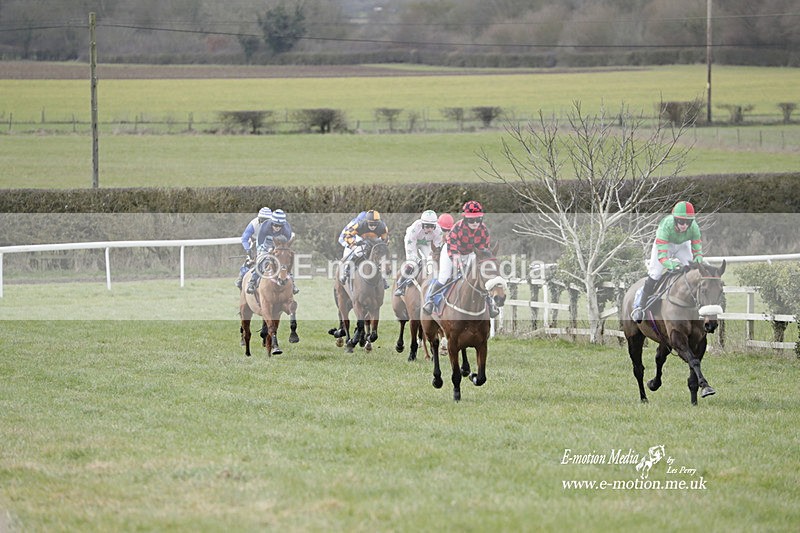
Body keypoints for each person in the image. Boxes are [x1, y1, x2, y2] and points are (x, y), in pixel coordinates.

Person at [631, 200, 704, 323]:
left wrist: (698, 258)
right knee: (655, 273)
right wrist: (671, 264)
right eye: (681, 221)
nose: (684, 225)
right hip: (665, 246)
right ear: (675, 219)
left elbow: (697, 246)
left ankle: (698, 304)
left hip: (682, 245)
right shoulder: (665, 225)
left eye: (688, 222)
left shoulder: (694, 227)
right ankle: (640, 306)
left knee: (694, 271)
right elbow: (662, 257)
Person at [422, 201, 497, 317]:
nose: (475, 223)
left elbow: (483, 249)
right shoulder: (457, 228)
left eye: (478, 219)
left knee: (479, 276)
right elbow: (453, 248)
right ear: (466, 219)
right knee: (444, 277)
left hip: (471, 253)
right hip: (451, 252)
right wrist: (459, 265)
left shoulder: (483, 230)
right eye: (472, 220)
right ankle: (430, 300)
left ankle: (490, 303)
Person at [394, 210, 445, 296]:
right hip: (412, 242)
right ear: (422, 224)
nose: (430, 229)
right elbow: (410, 248)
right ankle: (401, 284)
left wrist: (432, 256)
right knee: (412, 263)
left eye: (432, 226)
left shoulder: (438, 231)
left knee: (431, 261)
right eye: (427, 226)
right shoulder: (414, 229)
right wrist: (417, 259)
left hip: (426, 243)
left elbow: (437, 248)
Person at [246, 209, 297, 295]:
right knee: (262, 261)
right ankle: (252, 281)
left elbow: (286, 245)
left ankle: (292, 283)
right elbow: (260, 242)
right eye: (275, 225)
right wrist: (266, 250)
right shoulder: (265, 227)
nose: (277, 227)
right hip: (265, 245)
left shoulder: (286, 229)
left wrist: (280, 251)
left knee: (285, 262)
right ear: (272, 223)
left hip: (280, 246)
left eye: (280, 226)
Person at [339, 210, 389, 284]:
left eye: (375, 224)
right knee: (359, 252)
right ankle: (347, 270)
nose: (373, 227)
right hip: (360, 237)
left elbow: (385, 240)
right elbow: (346, 235)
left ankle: (384, 278)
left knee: (380, 255)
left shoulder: (383, 227)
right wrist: (353, 244)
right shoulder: (359, 225)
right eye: (371, 224)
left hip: (374, 239)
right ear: (366, 221)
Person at [235, 207, 270, 289]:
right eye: (262, 220)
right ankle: (241, 278)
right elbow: (244, 238)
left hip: (268, 244)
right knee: (250, 261)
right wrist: (248, 250)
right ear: (259, 219)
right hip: (255, 243)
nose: (264, 223)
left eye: (266, 221)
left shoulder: (274, 225)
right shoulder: (253, 224)